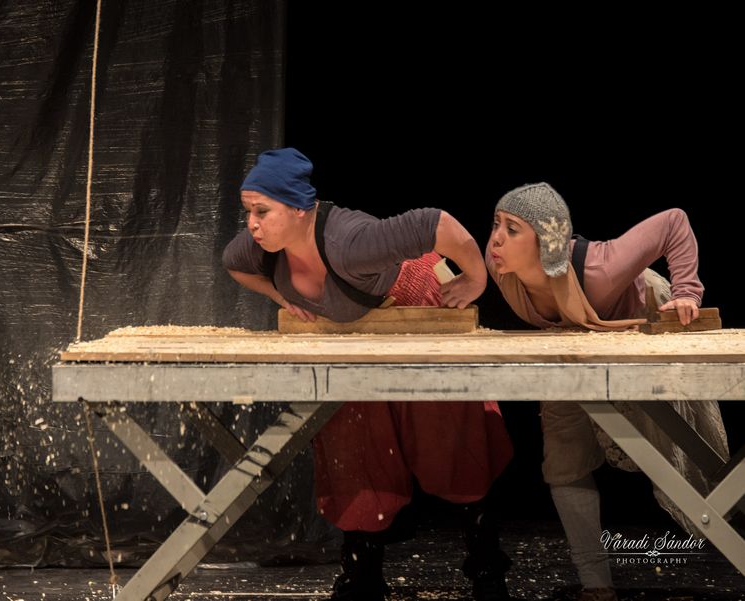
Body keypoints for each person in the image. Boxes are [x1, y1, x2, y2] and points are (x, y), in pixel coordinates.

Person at [222, 148, 515, 601]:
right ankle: (362, 575)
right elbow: (232, 263)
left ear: (299, 209)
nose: (252, 224)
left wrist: (477, 278)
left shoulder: (351, 244)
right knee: (353, 440)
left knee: (449, 437)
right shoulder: (259, 245)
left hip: (415, 308)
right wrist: (281, 297)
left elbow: (437, 224)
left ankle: (487, 568)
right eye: (248, 212)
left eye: (262, 212)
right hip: (354, 335)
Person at [486, 182, 730, 601]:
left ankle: (732, 532)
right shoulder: (499, 266)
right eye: (496, 224)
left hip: (641, 325)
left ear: (546, 241)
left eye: (511, 229)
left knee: (675, 456)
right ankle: (595, 585)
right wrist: (466, 281)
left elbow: (674, 221)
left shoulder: (601, 268)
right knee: (563, 456)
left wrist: (687, 292)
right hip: (573, 345)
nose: (494, 239)